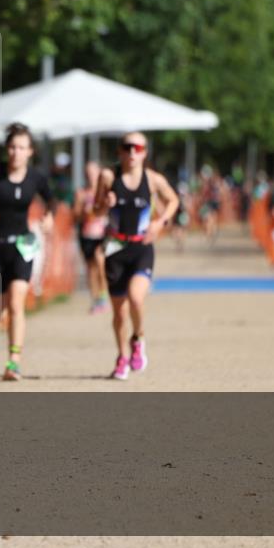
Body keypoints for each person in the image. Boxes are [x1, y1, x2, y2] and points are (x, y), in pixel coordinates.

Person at [0, 122, 54, 381]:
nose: (17, 152)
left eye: (22, 147)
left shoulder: (36, 178)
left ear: (30, 152)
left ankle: (13, 361)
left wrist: (49, 217)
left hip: (22, 247)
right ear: (8, 149)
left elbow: (52, 201)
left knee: (17, 303)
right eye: (13, 147)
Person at [93, 132, 179, 380]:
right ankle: (122, 357)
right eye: (127, 147)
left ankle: (138, 338)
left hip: (141, 247)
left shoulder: (152, 180)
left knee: (136, 299)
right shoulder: (108, 176)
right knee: (119, 313)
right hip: (115, 249)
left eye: (137, 147)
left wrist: (160, 222)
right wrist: (105, 205)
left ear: (144, 152)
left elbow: (173, 200)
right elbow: (95, 211)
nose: (132, 152)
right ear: (119, 151)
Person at [74, 161, 108, 313]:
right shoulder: (81, 193)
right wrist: (83, 212)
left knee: (100, 261)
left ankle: (103, 296)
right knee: (90, 268)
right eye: (88, 173)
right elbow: (75, 216)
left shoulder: (106, 192)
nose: (91, 176)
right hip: (86, 234)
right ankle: (95, 299)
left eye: (93, 172)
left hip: (103, 235)